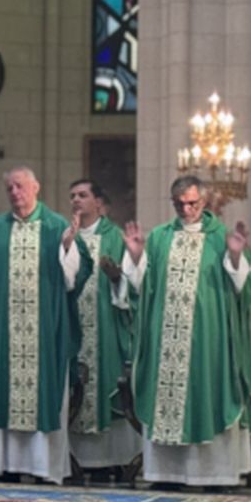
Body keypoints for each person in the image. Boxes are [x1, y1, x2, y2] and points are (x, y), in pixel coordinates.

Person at [121, 175, 251, 488]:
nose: (186, 210)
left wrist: (236, 257)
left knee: (210, 397)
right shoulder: (159, 238)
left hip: (210, 342)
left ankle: (216, 475)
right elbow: (140, 289)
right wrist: (135, 258)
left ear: (204, 201)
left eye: (192, 203)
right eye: (179, 205)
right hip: (165, 342)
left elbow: (249, 291)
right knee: (166, 403)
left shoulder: (222, 237)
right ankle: (167, 474)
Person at [0, 165, 92, 483]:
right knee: (1, 392)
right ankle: (1, 466)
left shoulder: (56, 226)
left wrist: (67, 247)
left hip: (44, 335)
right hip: (2, 335)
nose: (14, 192)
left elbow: (74, 279)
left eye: (20, 186)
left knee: (44, 394)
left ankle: (42, 468)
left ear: (36, 188)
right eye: (9, 188)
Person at [66, 179, 140, 478]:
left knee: (106, 384)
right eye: (72, 196)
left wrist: (117, 278)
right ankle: (73, 460)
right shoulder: (67, 236)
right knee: (75, 388)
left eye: (83, 195)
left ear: (98, 202)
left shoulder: (115, 237)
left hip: (106, 327)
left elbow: (134, 288)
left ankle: (111, 460)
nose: (76, 200)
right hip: (74, 327)